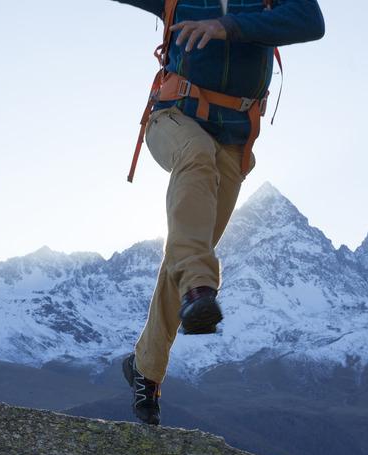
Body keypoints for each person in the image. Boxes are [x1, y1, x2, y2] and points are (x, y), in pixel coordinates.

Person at [113, 0, 325, 425]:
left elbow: (311, 21)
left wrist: (228, 26)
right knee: (195, 163)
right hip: (172, 120)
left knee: (188, 247)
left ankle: (145, 368)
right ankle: (199, 289)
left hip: (233, 142)